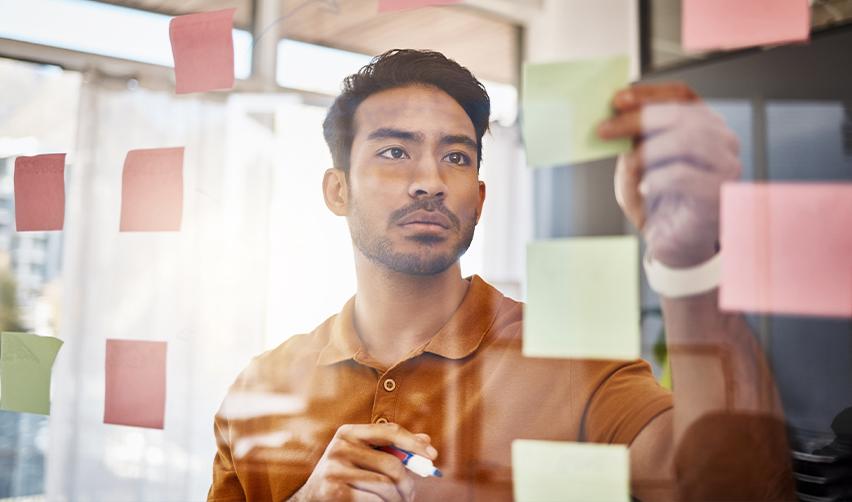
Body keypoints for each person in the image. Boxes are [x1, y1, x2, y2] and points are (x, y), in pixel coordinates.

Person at [208, 49, 793, 502]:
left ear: (480, 198)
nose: (431, 181)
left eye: (457, 157)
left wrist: (691, 264)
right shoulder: (259, 392)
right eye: (394, 152)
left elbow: (736, 492)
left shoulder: (568, 361)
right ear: (338, 191)